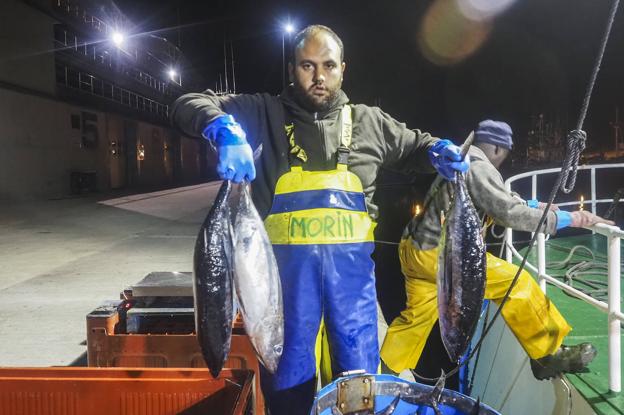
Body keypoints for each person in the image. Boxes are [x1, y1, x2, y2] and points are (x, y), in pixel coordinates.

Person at [171, 25, 469, 415]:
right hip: (283, 296)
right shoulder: (262, 112)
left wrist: (436, 152)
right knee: (288, 390)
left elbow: (416, 146)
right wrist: (221, 127)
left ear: (343, 69)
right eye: (307, 66)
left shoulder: (370, 123)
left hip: (355, 298)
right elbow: (186, 104)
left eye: (328, 66)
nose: (318, 77)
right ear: (292, 68)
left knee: (359, 389)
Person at [380, 120, 615, 381]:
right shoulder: (478, 167)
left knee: (416, 318)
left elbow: (500, 197)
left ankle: (384, 372)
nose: (504, 159)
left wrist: (539, 207)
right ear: (497, 148)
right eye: (505, 152)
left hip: (414, 250)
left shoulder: (466, 161)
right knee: (518, 284)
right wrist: (571, 219)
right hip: (442, 256)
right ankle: (548, 354)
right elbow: (507, 212)